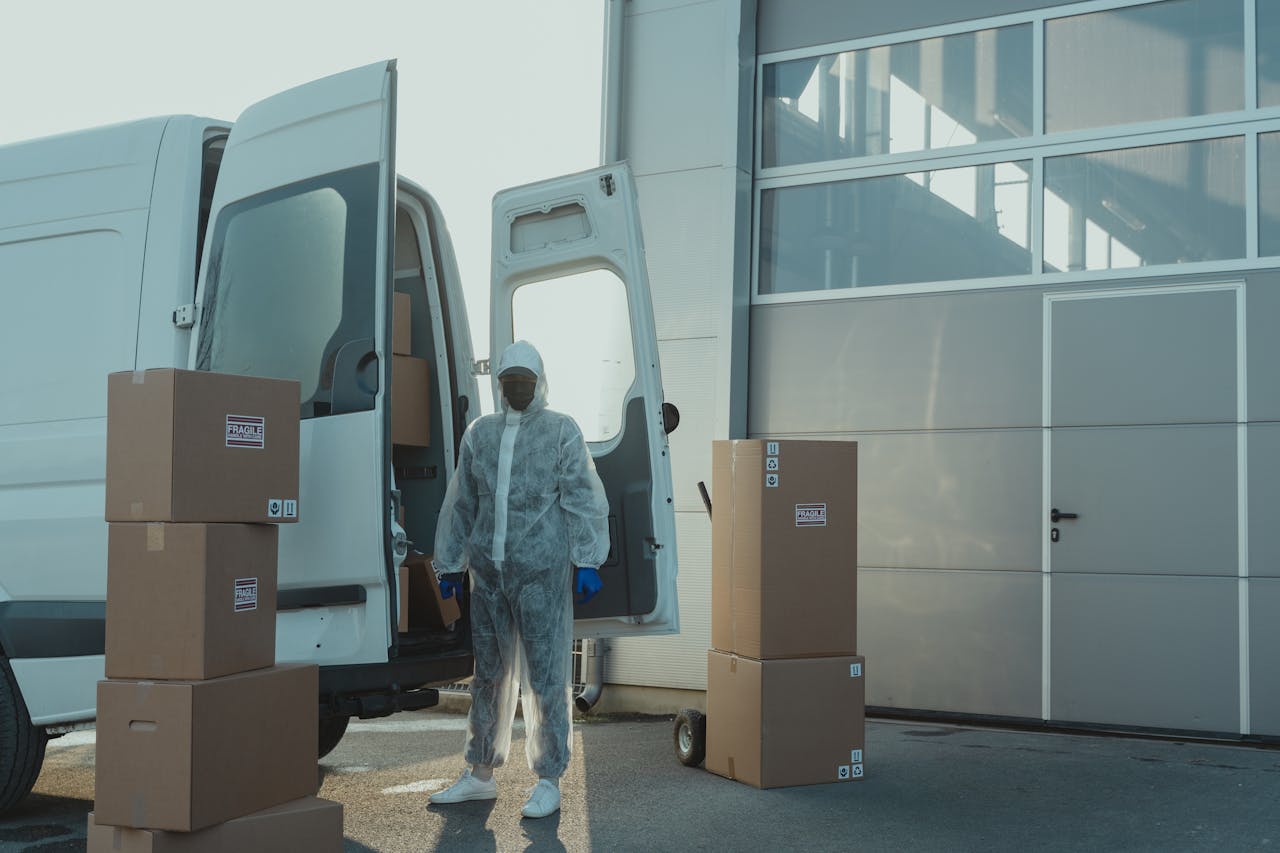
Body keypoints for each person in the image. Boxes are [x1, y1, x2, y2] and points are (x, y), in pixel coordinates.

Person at [428, 340, 609, 819]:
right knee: (488, 674)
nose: (517, 390)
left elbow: (581, 497)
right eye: (509, 382)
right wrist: (448, 564)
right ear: (499, 384)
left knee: (547, 674)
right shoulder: (479, 435)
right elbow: (461, 503)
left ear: (540, 382)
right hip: (487, 574)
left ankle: (549, 778)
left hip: (541, 573)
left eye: (525, 382)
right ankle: (480, 774)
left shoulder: (560, 431)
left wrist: (588, 558)